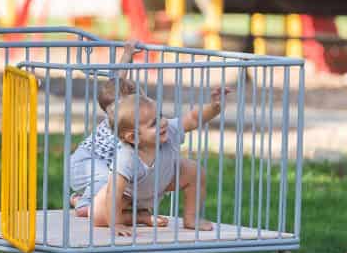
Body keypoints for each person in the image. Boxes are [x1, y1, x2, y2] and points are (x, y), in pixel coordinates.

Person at [90, 88, 229, 235]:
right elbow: (114, 193)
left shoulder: (169, 130)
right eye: (154, 123)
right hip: (128, 194)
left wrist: (215, 107)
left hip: (162, 181)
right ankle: (139, 217)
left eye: (161, 115)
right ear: (133, 137)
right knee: (98, 217)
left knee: (193, 170)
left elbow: (194, 118)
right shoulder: (126, 158)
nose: (163, 122)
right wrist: (116, 224)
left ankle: (191, 218)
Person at [68, 40, 140, 213]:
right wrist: (126, 55)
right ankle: (83, 204)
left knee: (119, 182)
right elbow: (117, 81)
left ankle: (83, 197)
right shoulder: (114, 121)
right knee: (106, 178)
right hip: (84, 162)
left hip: (100, 166)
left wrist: (128, 55)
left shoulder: (134, 124)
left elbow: (119, 82)